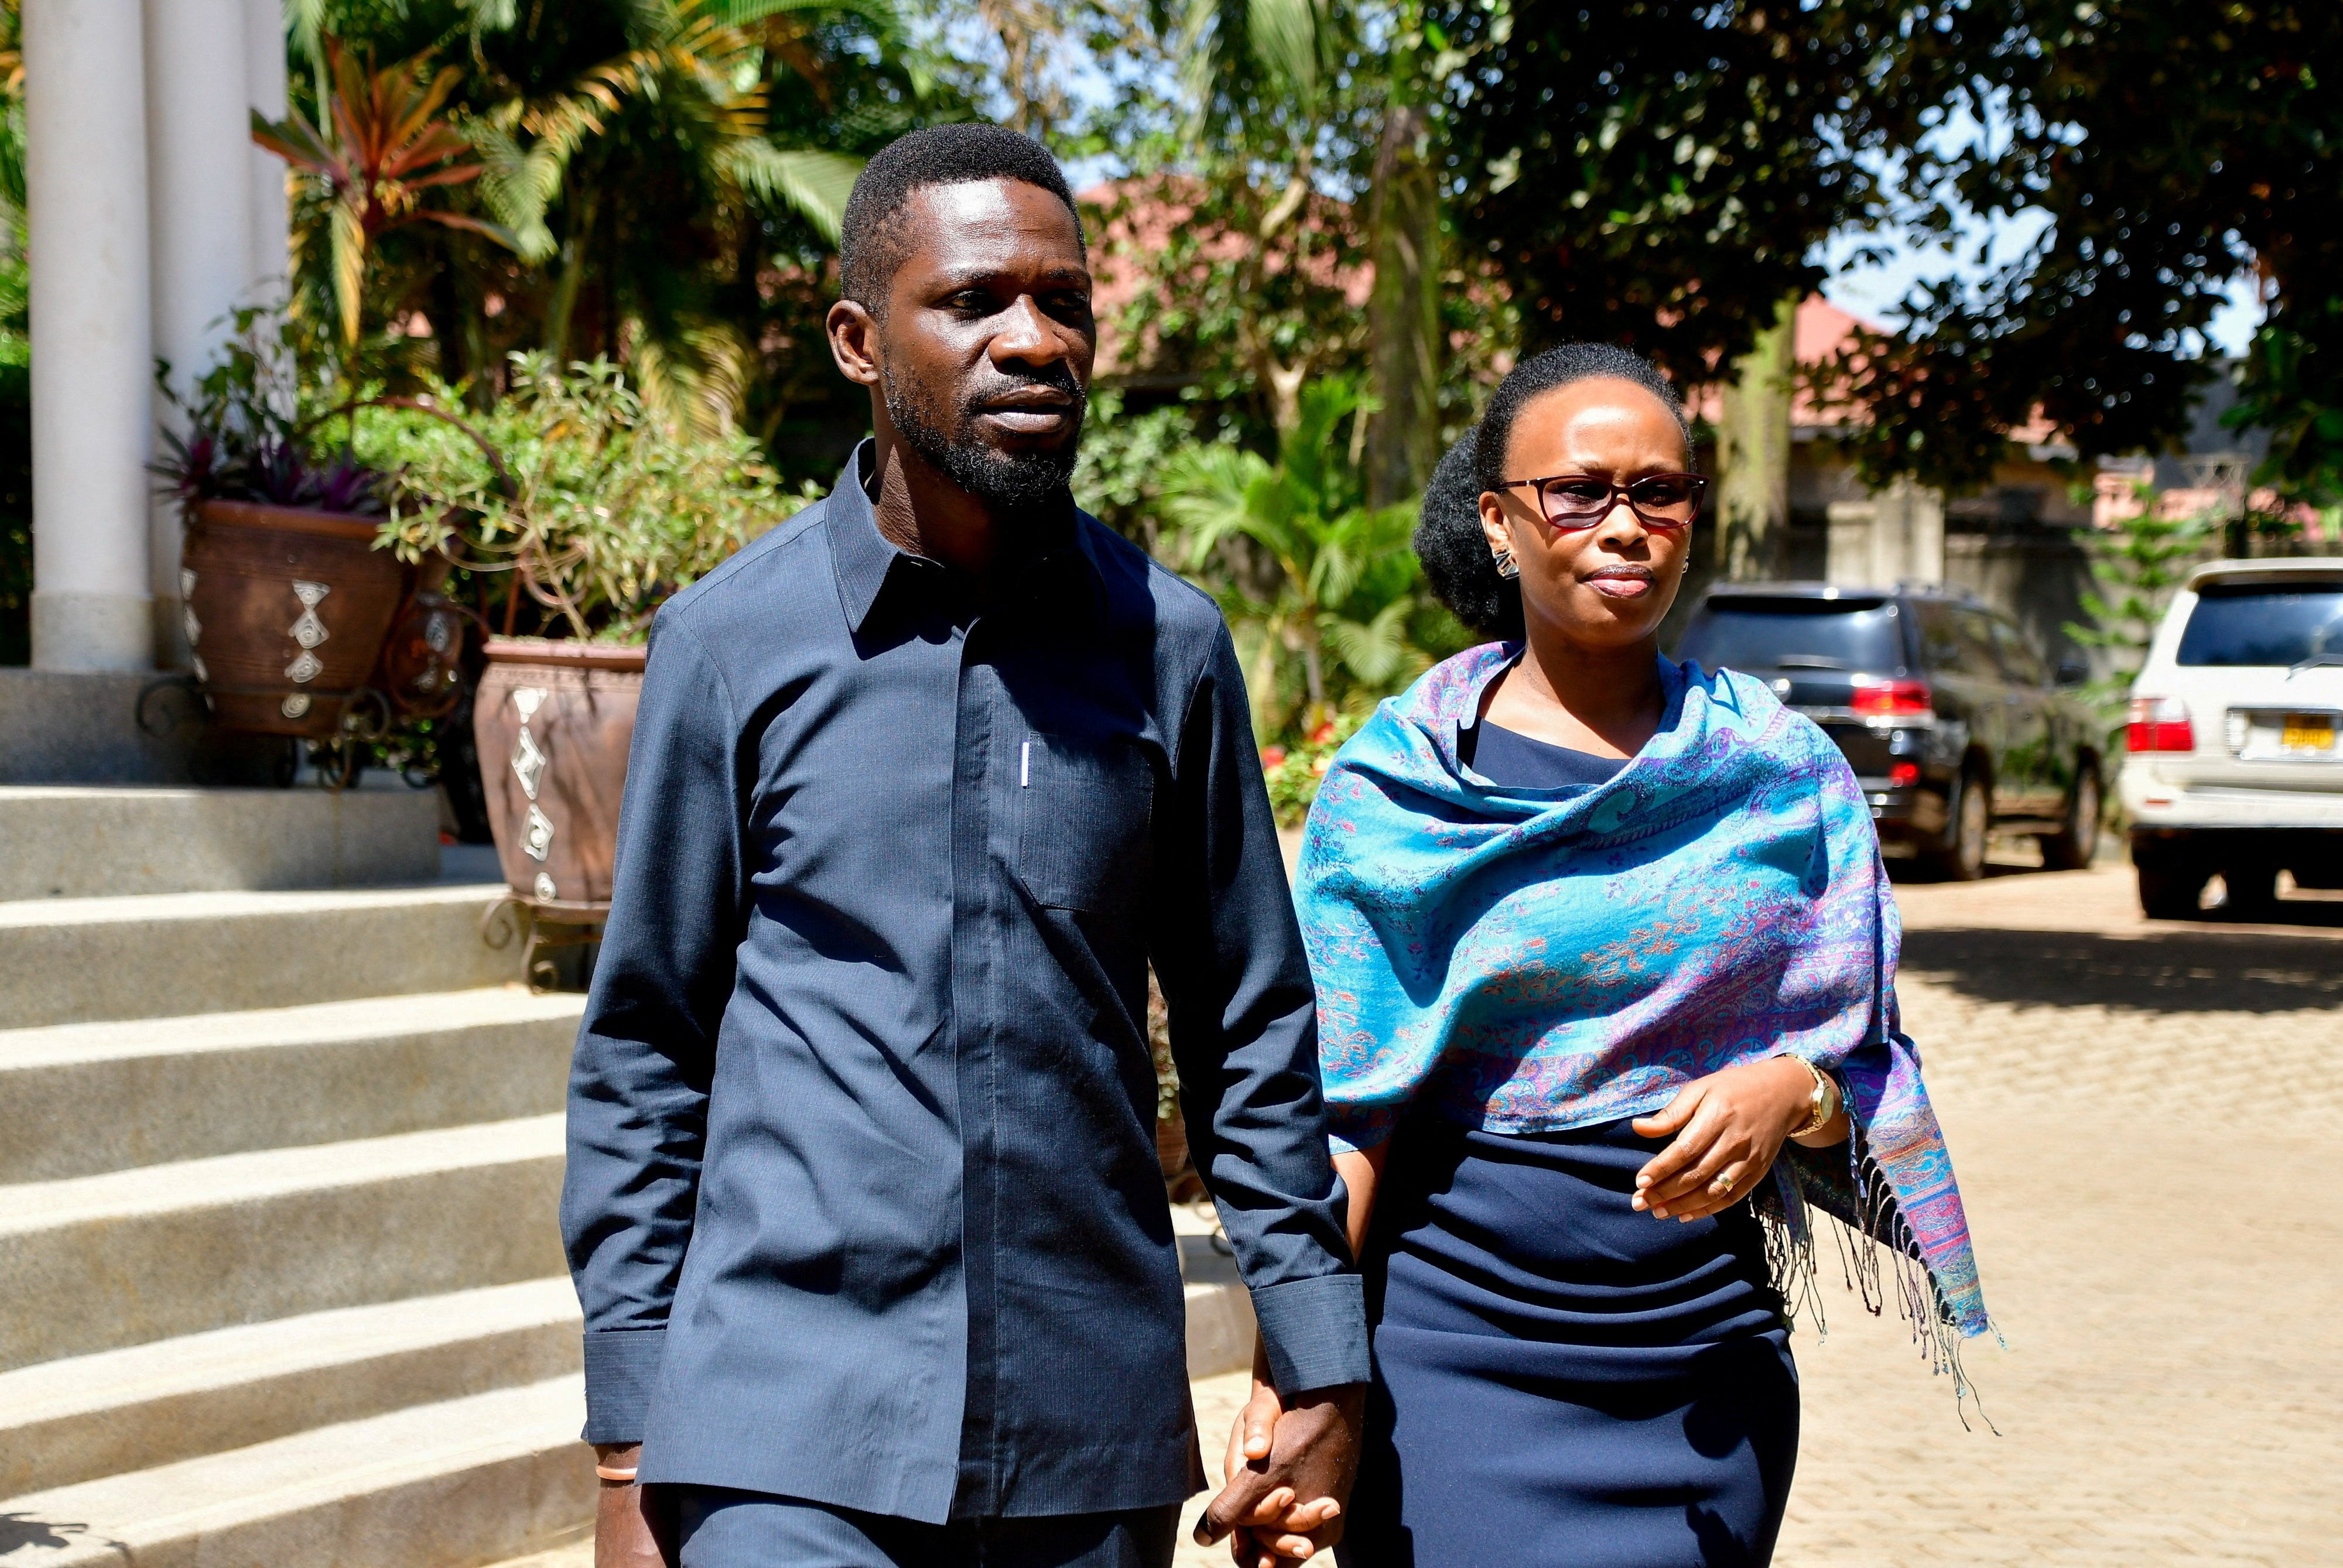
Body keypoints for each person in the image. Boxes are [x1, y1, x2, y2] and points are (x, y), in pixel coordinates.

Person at [562, 124, 1367, 1568]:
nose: (1035, 340)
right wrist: (632, 1444)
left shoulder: (1168, 647)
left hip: (1082, 1435)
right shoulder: (731, 647)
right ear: (861, 340)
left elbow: (1251, 1021)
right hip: (779, 1429)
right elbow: (647, 1045)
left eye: (1065, 302)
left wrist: (1316, 1352)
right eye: (979, 301)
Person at [1226, 344, 1991, 1567]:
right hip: (1455, 1349)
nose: (1624, 525)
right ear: (1497, 519)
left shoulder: (1778, 776)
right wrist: (1305, 1377)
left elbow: (1862, 1067)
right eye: (1578, 492)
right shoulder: (1405, 785)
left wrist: (1786, 1092)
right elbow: (1345, 1112)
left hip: (1701, 1364)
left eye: (1661, 492)